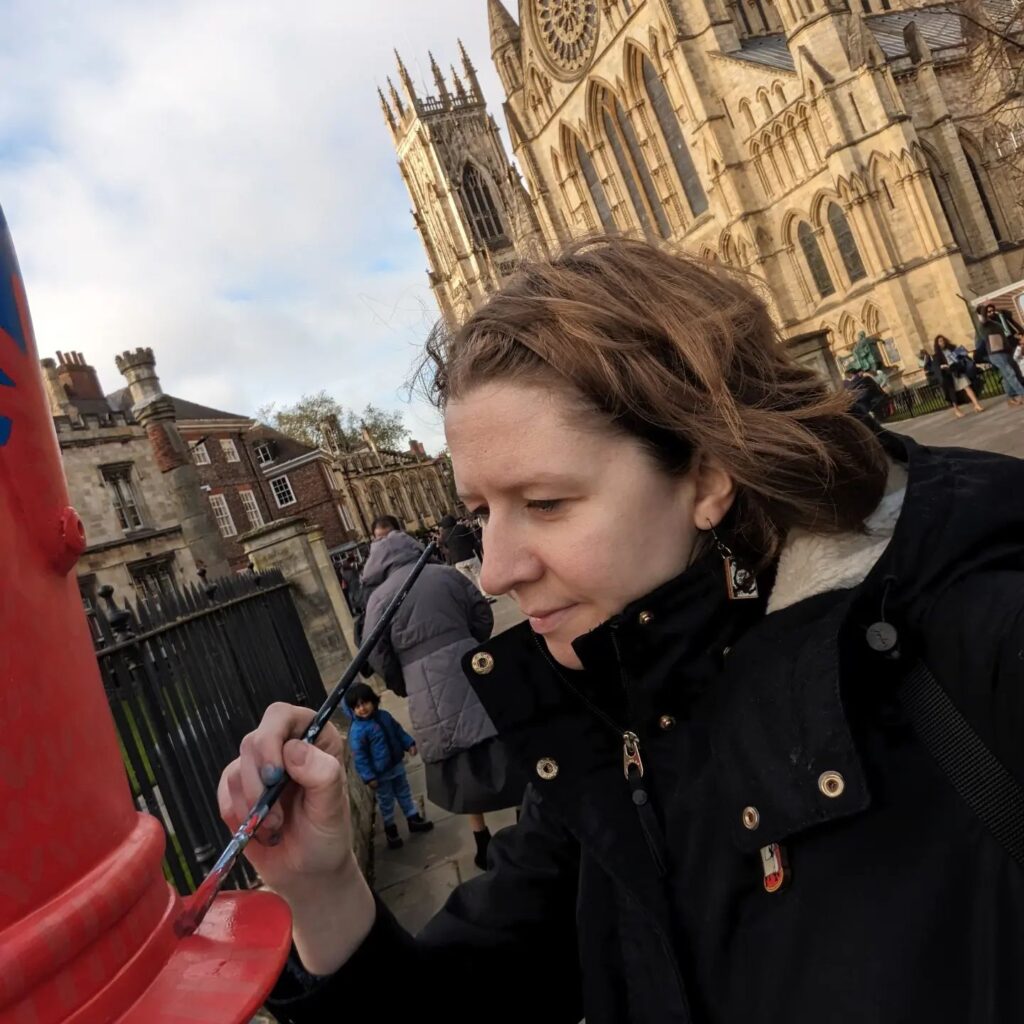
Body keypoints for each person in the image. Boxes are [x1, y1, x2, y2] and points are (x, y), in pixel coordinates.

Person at [220, 237, 1024, 1024]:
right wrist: (321, 889)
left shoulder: (975, 650)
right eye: (479, 512)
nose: (494, 569)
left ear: (707, 475)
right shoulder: (606, 731)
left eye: (545, 504)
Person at [359, 527, 522, 869]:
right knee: (502, 744)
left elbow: (375, 649)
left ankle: (481, 840)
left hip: (423, 682)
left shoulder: (379, 598)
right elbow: (481, 612)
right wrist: (470, 643)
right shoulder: (445, 574)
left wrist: (400, 680)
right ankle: (526, 820)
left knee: (459, 761)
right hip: (471, 667)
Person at [344, 682, 433, 850]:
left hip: (396, 765)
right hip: (380, 774)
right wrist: (369, 777)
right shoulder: (358, 731)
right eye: (357, 706)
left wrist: (409, 743)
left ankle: (413, 818)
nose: (362, 708)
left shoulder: (384, 716)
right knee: (386, 802)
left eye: (365, 703)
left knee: (404, 792)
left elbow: (397, 731)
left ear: (373, 701)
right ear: (352, 710)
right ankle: (391, 830)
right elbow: (360, 758)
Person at [977, 303, 1024, 406]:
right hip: (995, 354)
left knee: (1009, 374)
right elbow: (983, 317)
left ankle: (1010, 398)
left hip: (1006, 351)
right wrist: (984, 307)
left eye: (992, 311)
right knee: (1009, 373)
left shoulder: (996, 323)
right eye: (988, 312)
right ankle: (1022, 394)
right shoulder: (983, 325)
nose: (991, 313)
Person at [438, 513, 491, 600]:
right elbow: (472, 538)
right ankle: (486, 594)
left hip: (457, 561)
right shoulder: (462, 528)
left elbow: (441, 546)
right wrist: (472, 547)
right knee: (478, 574)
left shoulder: (443, 535)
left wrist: (449, 553)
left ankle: (478, 597)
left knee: (469, 580)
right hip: (469, 555)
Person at [933, 334, 983, 417]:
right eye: (940, 341)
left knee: (967, 387)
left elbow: (963, 354)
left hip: (957, 370)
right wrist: (942, 366)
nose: (942, 342)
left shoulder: (952, 348)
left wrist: (962, 354)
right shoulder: (937, 355)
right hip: (948, 375)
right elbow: (937, 366)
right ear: (937, 344)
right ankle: (957, 410)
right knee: (952, 393)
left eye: (943, 340)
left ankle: (977, 404)